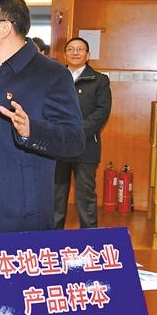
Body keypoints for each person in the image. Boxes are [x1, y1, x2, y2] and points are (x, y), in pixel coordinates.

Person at [0, 0, 84, 253]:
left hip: (19, 216)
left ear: (5, 27)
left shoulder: (51, 75)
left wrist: (31, 131)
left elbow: (74, 141)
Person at [53, 37, 112, 229]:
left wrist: (77, 132)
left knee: (86, 196)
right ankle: (52, 238)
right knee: (56, 195)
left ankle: (89, 237)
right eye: (71, 49)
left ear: (87, 55)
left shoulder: (99, 80)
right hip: (59, 145)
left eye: (80, 49)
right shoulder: (55, 78)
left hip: (86, 145)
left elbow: (102, 111)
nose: (75, 52)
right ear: (65, 54)